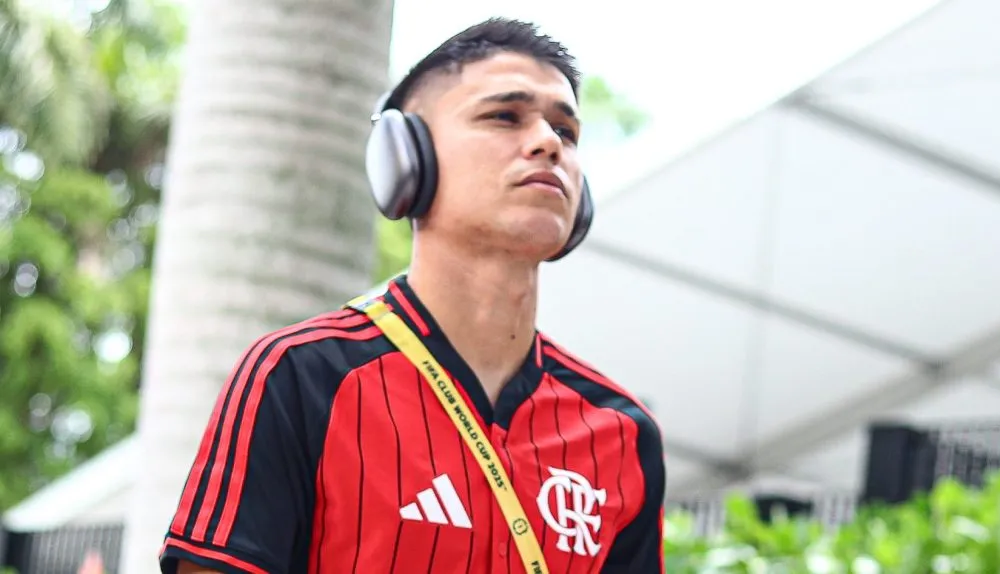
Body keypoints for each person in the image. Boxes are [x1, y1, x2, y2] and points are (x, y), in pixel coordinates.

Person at [160, 17, 666, 574]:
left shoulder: (622, 433)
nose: (549, 142)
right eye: (505, 116)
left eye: (566, 132)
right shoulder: (298, 376)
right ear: (406, 158)